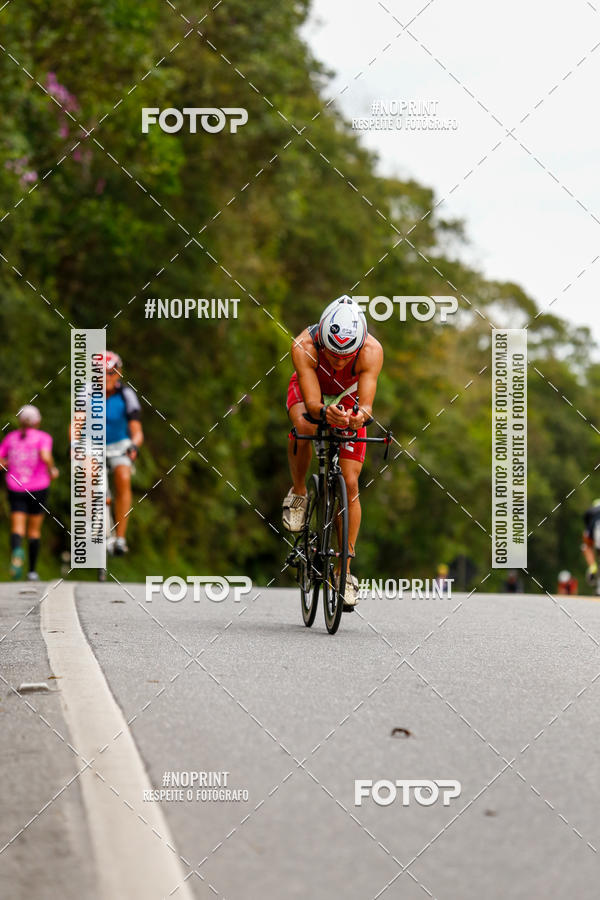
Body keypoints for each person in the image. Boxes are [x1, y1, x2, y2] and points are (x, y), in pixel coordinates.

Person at [283, 295, 383, 607]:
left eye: (346, 356)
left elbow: (366, 405)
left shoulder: (371, 351)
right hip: (311, 385)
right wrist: (323, 412)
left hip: (349, 395)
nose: (339, 361)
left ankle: (344, 571)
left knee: (350, 484)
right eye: (333, 354)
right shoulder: (304, 346)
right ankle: (299, 492)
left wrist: (358, 418)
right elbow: (313, 403)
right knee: (304, 427)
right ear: (322, 341)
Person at [0, 405, 58, 580]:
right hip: (38, 488)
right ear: (37, 422)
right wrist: (52, 469)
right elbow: (45, 456)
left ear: (20, 421)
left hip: (15, 487)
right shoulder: (43, 437)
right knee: (34, 531)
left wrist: (8, 463)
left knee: (17, 527)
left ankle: (17, 551)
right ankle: (32, 571)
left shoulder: (11, 438)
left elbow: (1, 461)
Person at [104, 352, 143, 554]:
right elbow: (76, 424)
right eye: (99, 373)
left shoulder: (126, 395)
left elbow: (137, 432)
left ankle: (120, 537)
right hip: (93, 445)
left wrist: (134, 446)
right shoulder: (86, 393)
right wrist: (74, 443)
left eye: (110, 373)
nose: (105, 377)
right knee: (88, 475)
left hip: (120, 445)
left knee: (123, 476)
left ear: (118, 373)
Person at [581, 498, 600, 585]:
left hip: (596, 533)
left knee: (586, 546)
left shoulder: (591, 513)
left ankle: (593, 567)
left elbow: (586, 532)